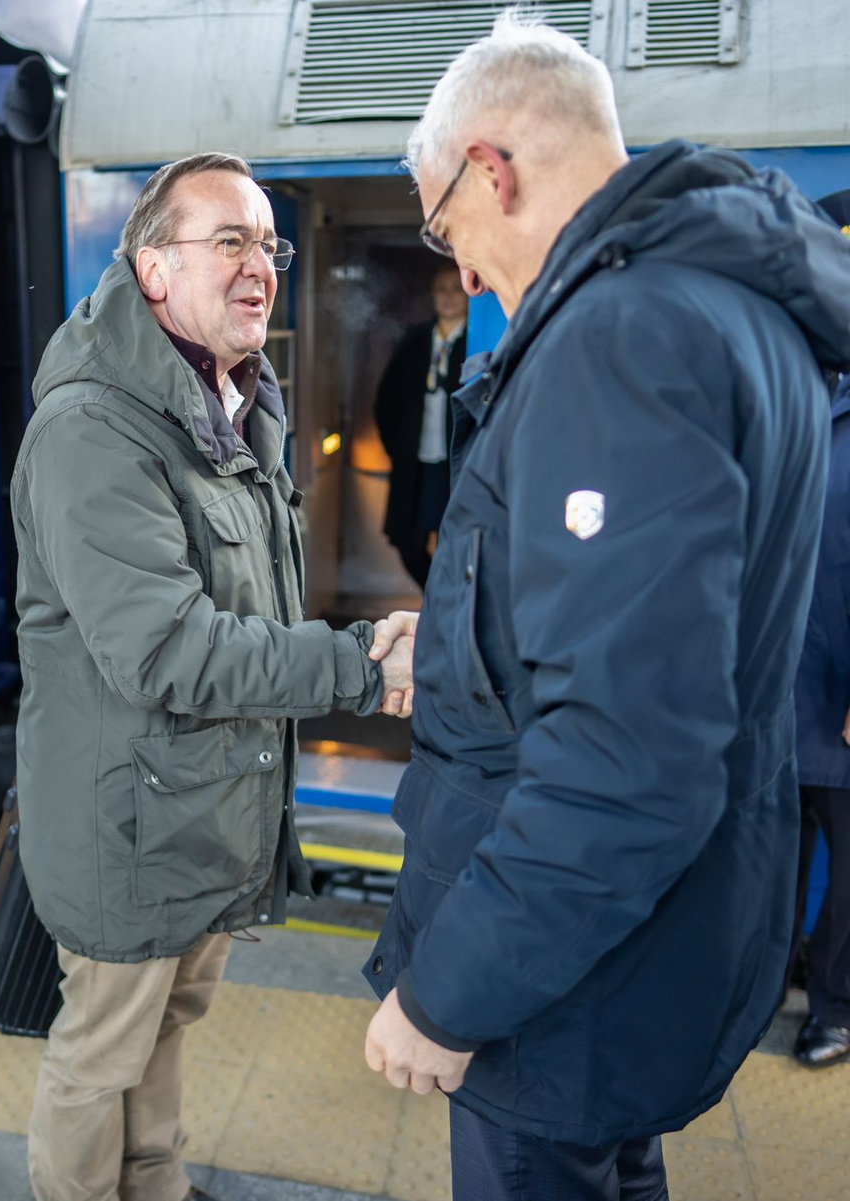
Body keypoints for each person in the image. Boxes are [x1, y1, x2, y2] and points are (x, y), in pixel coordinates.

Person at [360, 14, 850, 1200]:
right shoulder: (732, 312)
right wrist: (469, 642)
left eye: (446, 225)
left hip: (552, 995)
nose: (461, 270)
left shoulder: (622, 337)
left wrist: (444, 995)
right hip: (637, 957)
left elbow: (627, 757)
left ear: (494, 167)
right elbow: (678, 640)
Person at [11, 152, 411, 1201]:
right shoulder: (94, 429)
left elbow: (251, 612)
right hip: (124, 827)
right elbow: (168, 647)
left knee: (168, 1025)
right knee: (100, 1055)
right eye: (227, 240)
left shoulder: (232, 404)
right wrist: (359, 662)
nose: (261, 265)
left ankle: (159, 1183)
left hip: (195, 812)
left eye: (268, 243)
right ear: (153, 271)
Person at [790, 192, 850, 1069]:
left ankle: (835, 1005)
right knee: (768, 854)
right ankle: (752, 990)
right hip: (775, 675)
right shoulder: (791, 376)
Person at [374, 261, 468, 588]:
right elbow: (385, 402)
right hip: (415, 463)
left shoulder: (478, 341)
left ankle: (449, 606)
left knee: (455, 539)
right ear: (432, 294)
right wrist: (398, 450)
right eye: (442, 289)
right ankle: (438, 599)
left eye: (456, 288)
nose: (449, 296)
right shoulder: (414, 339)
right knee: (407, 541)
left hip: (457, 466)